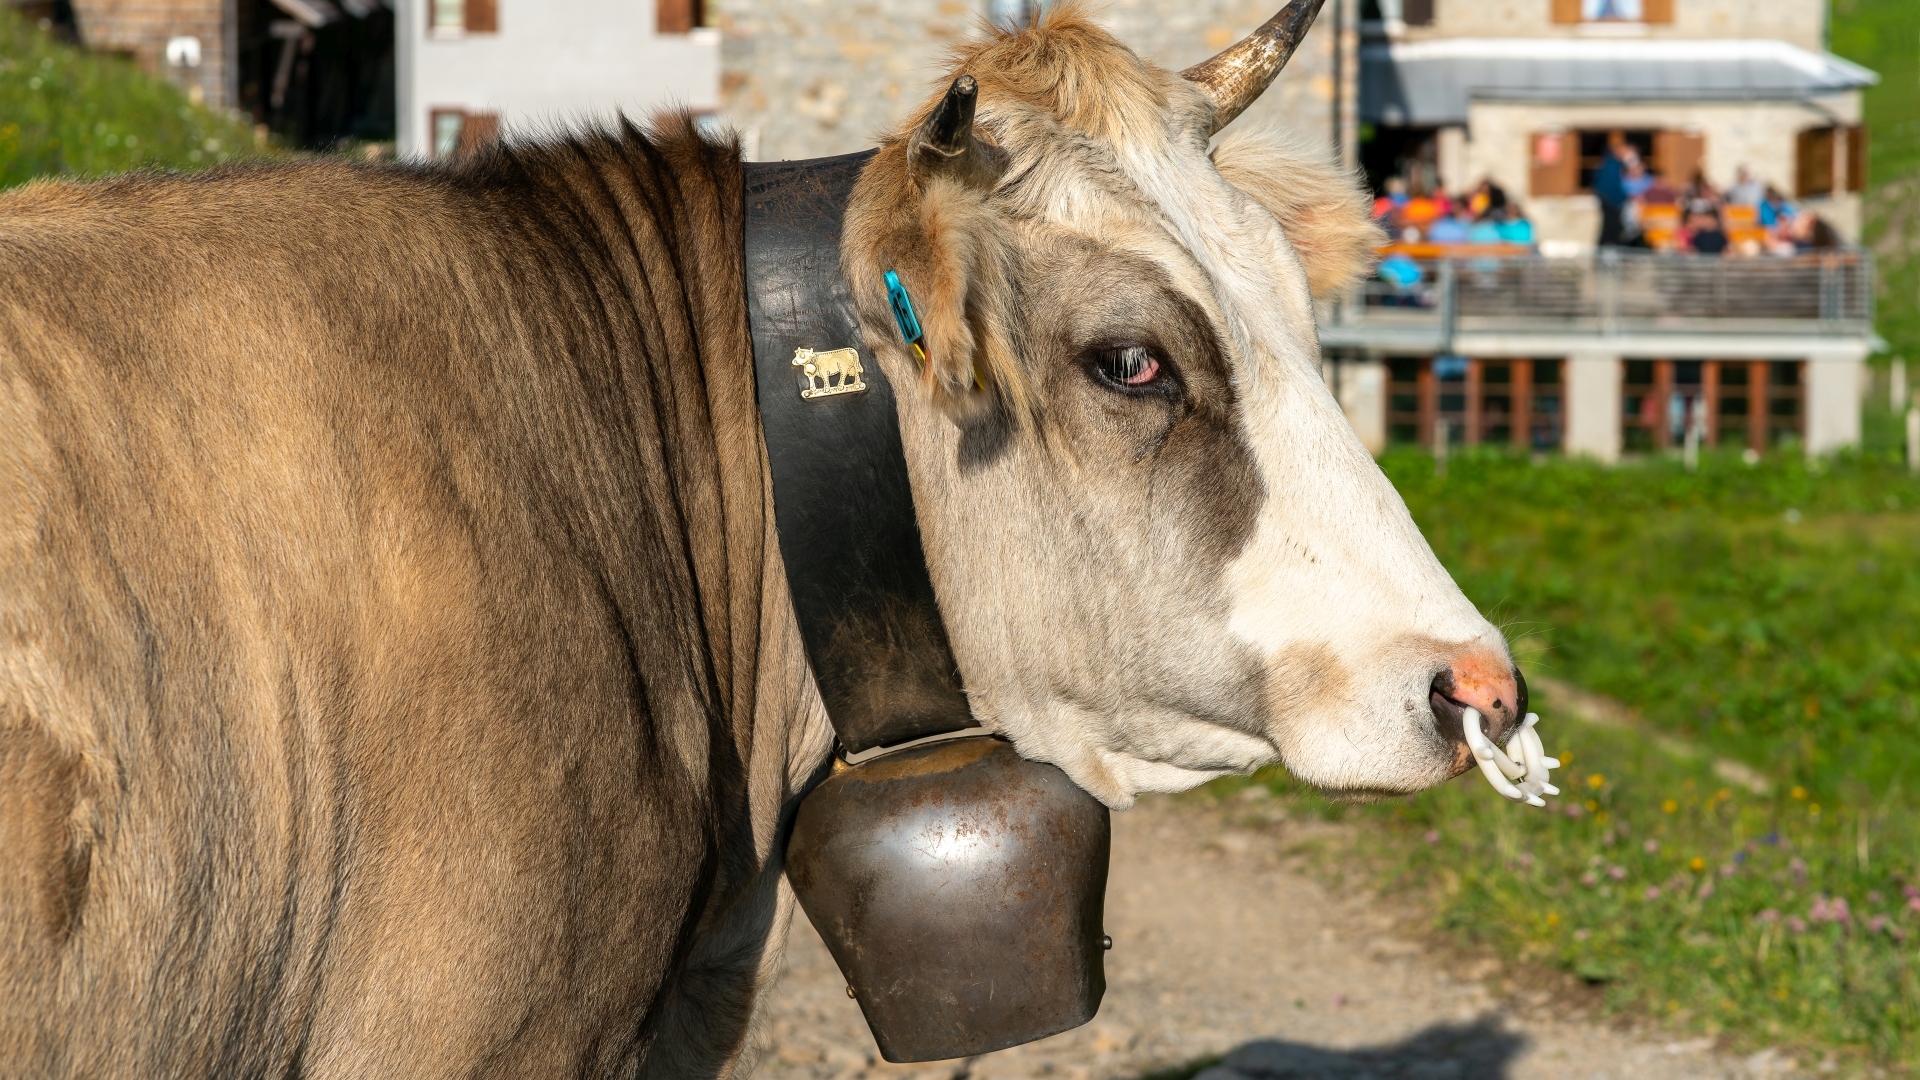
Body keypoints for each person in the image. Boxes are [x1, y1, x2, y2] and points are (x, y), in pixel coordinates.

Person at [1594, 138, 1630, 247]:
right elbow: (1610, 185)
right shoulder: (1612, 164)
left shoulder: (1613, 163)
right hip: (1609, 201)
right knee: (1610, 227)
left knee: (1612, 227)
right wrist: (1621, 198)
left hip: (1609, 200)